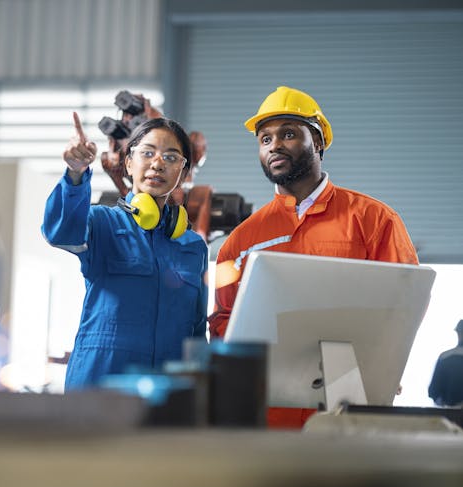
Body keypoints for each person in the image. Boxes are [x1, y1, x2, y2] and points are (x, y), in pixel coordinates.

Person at [208, 86, 418, 338]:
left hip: (353, 372)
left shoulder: (374, 219)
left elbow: (405, 301)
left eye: (288, 134)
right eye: (265, 139)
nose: (274, 146)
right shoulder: (239, 241)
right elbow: (223, 321)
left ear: (317, 142)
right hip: (267, 374)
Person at [42, 112, 208, 391]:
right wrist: (75, 174)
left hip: (167, 395)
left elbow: (196, 333)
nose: (157, 163)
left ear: (182, 173)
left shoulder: (192, 247)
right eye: (148, 153)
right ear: (129, 164)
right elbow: (61, 232)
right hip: (99, 387)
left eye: (171, 157)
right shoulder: (102, 223)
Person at [428, 320, 463, 407]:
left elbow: (433, 391)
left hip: (449, 414)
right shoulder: (444, 357)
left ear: (458, 333)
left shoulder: (445, 357)